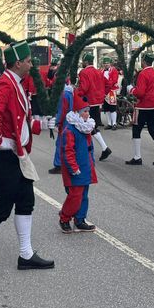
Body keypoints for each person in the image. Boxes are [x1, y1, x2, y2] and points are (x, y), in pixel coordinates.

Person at [0, 41, 56, 274]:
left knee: (26, 200)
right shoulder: (6, 84)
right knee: (3, 205)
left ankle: (25, 254)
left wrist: (39, 124)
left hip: (16, 153)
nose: (31, 65)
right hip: (3, 155)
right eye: (28, 61)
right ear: (18, 63)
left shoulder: (16, 82)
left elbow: (17, 119)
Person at [58, 91, 98, 233]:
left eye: (88, 111)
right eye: (85, 111)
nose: (87, 114)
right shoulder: (70, 130)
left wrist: (91, 162)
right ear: (77, 112)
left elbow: (89, 148)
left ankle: (80, 219)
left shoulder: (85, 127)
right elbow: (68, 152)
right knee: (75, 195)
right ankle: (64, 217)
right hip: (75, 169)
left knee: (84, 195)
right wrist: (73, 167)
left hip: (85, 166)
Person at [125, 53, 154, 166]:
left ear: (144, 62)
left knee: (136, 129)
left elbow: (140, 93)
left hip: (143, 106)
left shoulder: (143, 74)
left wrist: (131, 90)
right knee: (152, 129)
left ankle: (137, 156)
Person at [76, 53, 112, 161]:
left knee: (85, 126)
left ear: (86, 62)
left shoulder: (84, 72)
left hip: (88, 102)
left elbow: (84, 88)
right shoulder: (98, 72)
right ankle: (102, 148)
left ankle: (88, 150)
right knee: (92, 126)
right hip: (97, 102)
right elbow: (108, 84)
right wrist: (103, 94)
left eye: (83, 61)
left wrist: (76, 93)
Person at [101, 56, 120, 130]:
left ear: (110, 64)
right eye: (105, 63)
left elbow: (114, 80)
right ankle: (109, 123)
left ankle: (114, 123)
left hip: (111, 91)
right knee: (106, 109)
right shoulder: (101, 71)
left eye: (107, 63)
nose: (106, 64)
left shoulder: (114, 70)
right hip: (104, 91)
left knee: (112, 107)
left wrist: (107, 86)